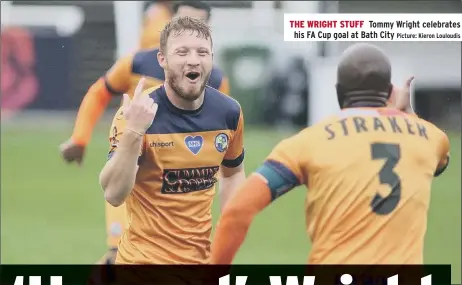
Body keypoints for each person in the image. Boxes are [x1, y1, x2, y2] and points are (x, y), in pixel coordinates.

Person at [210, 43, 450, 264]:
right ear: (389, 93)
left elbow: (238, 210)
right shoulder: (430, 138)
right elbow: (439, 164)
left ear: (338, 93)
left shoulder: (308, 143)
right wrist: (409, 117)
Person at [60, 1, 229, 264]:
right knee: (117, 254)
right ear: (170, 23)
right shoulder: (137, 63)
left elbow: (220, 137)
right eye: (184, 23)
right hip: (132, 170)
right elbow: (99, 92)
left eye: (199, 26)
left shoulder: (216, 82)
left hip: (178, 189)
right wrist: (80, 138)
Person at [99, 16, 246, 264]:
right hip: (141, 266)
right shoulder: (137, 113)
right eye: (182, 52)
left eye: (202, 52)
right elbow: (113, 193)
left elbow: (232, 172)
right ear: (162, 60)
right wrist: (134, 132)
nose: (193, 60)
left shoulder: (229, 113)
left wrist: (229, 227)